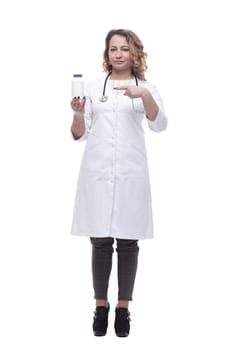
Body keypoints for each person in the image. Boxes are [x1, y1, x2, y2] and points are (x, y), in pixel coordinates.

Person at [70, 29, 168, 337]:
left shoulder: (146, 87)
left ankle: (123, 309)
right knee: (100, 241)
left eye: (124, 48)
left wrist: (145, 97)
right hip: (97, 173)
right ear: (107, 53)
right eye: (113, 48)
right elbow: (78, 133)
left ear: (134, 52)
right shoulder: (91, 86)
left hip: (130, 175)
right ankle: (101, 307)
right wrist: (76, 114)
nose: (118, 54)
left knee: (128, 242)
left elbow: (159, 124)